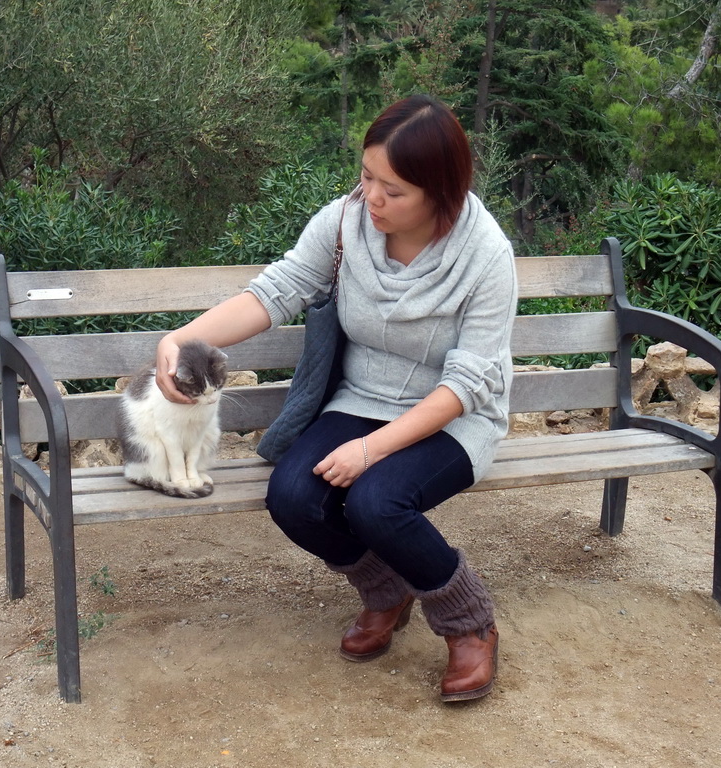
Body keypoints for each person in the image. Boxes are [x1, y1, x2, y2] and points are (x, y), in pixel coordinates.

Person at [155, 95, 517, 703]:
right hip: (361, 397)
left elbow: (465, 386)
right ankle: (385, 591)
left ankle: (467, 621)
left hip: (455, 414)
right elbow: (279, 288)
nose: (371, 197)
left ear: (441, 192)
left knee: (376, 503)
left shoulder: (485, 255)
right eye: (367, 176)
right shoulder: (348, 220)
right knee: (294, 498)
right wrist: (183, 337)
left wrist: (369, 451)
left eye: (393, 190)